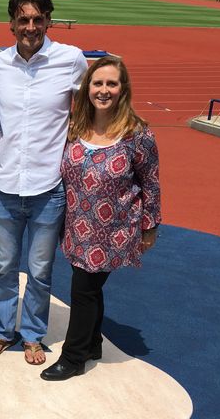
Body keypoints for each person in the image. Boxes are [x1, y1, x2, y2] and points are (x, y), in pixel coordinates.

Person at [0, 0, 88, 365]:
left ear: (48, 21)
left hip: (48, 187)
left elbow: (89, 110)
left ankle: (32, 335)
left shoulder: (71, 60)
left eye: (37, 19)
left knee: (40, 271)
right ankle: (2, 330)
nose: (30, 26)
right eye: (23, 19)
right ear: (11, 23)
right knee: (4, 268)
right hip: (6, 184)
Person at [41, 56, 161, 380]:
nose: (104, 90)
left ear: (123, 89)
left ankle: (74, 356)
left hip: (113, 230)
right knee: (90, 290)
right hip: (77, 227)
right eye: (98, 83)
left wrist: (150, 226)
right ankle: (93, 342)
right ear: (88, 87)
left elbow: (150, 181)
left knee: (83, 290)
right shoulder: (75, 128)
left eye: (111, 83)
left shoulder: (137, 134)